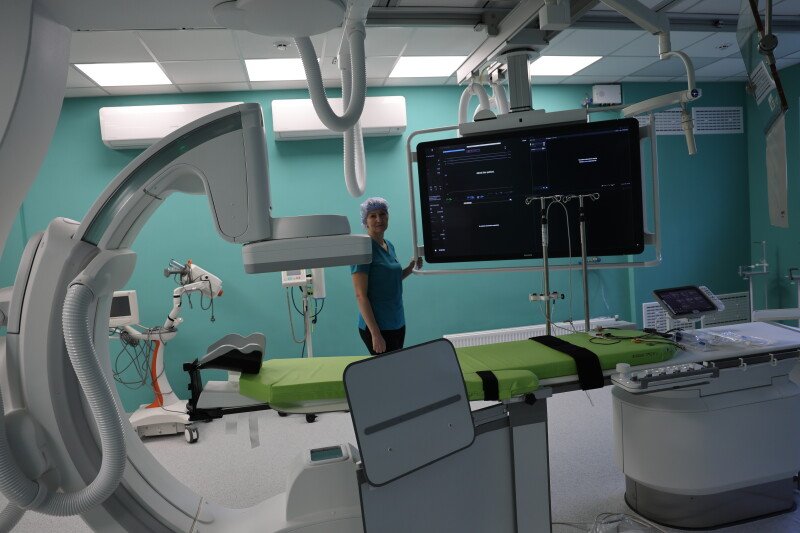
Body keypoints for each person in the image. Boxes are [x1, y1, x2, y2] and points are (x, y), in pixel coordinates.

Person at [351, 197, 421, 355]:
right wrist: (375, 333)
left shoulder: (388, 245)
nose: (379, 219)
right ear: (365, 221)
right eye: (372, 216)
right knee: (386, 369)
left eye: (382, 214)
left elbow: (390, 280)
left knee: (397, 365)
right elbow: (360, 295)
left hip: (397, 321)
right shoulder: (361, 249)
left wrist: (411, 268)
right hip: (377, 327)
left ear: (388, 216)